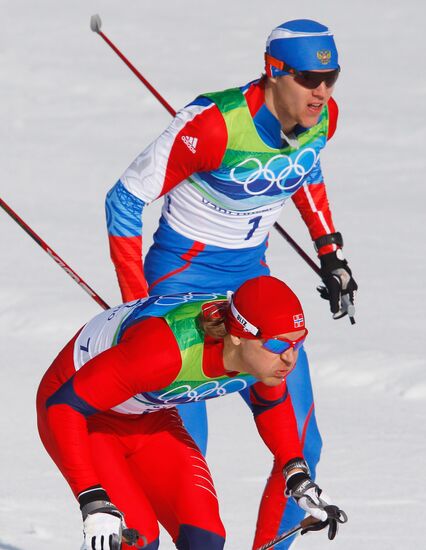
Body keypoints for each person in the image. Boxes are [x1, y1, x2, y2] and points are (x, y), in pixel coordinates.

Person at [104, 18, 357, 547]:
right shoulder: (214, 124)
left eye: (331, 78)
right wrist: (137, 308)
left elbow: (304, 169)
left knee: (302, 448)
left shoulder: (322, 119)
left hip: (251, 289)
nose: (322, 91)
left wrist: (329, 249)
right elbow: (123, 201)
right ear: (274, 71)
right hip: (179, 285)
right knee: (182, 447)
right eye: (310, 79)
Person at [36, 276, 347, 550]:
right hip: (82, 414)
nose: (290, 358)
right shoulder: (163, 352)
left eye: (298, 342)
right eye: (279, 345)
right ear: (238, 336)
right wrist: (93, 499)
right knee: (138, 539)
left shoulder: (262, 360)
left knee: (205, 538)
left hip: (148, 416)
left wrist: (296, 474)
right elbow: (64, 406)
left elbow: (270, 406)